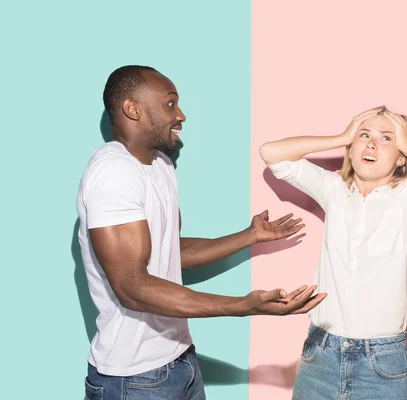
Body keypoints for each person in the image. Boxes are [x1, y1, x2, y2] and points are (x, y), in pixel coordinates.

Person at [76, 65, 326, 400]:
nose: (180, 115)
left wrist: (248, 236)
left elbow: (169, 251)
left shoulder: (161, 166)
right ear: (132, 109)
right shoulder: (112, 174)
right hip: (133, 380)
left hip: (180, 360)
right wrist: (242, 306)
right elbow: (132, 287)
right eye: (169, 104)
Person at [259, 106, 407, 400]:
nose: (372, 143)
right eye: (364, 135)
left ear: (401, 157)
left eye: (387, 138)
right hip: (320, 355)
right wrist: (341, 136)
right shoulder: (333, 188)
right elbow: (271, 152)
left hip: (382, 362)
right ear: (350, 150)